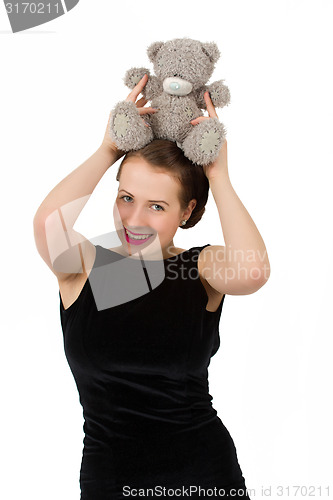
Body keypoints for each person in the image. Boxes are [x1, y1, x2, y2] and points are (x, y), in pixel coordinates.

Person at [33, 74, 270, 499]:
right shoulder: (84, 266)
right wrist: (108, 149)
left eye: (156, 206)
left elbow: (252, 271)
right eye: (126, 198)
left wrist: (218, 175)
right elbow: (49, 224)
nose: (134, 219)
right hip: (111, 482)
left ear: (187, 211)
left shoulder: (200, 267)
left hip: (204, 477)